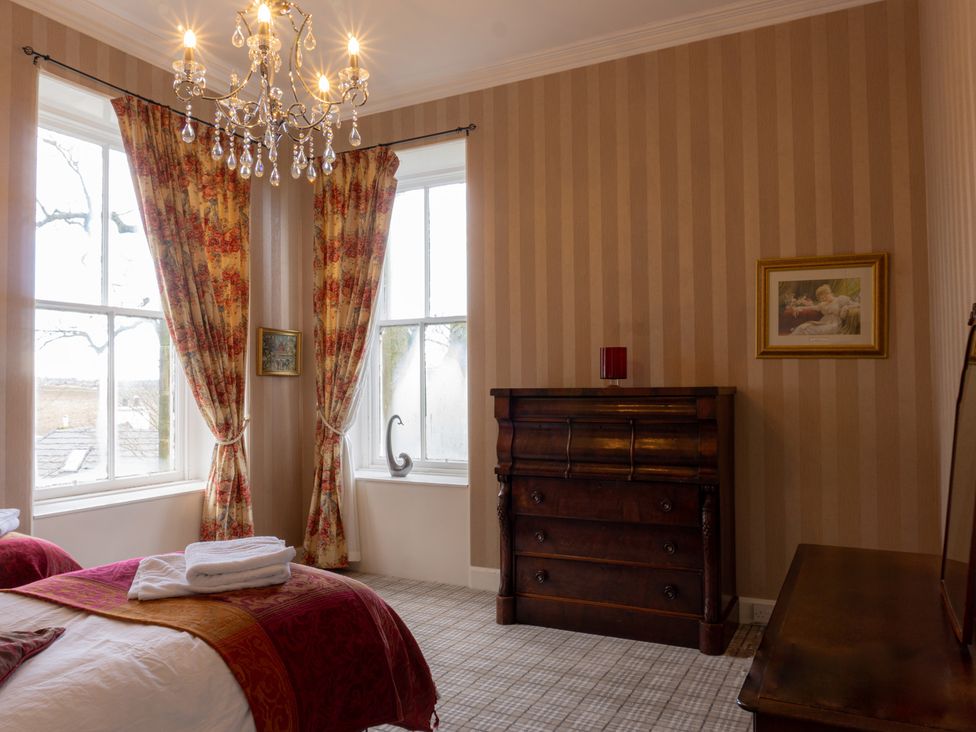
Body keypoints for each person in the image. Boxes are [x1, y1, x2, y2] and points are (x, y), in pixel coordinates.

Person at [790, 283, 859, 335]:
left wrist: (846, 307)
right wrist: (798, 307)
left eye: (825, 296)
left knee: (810, 331)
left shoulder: (840, 299)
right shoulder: (823, 304)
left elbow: (857, 304)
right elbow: (812, 307)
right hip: (823, 322)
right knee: (803, 327)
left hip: (834, 324)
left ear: (829, 293)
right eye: (822, 298)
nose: (824, 299)